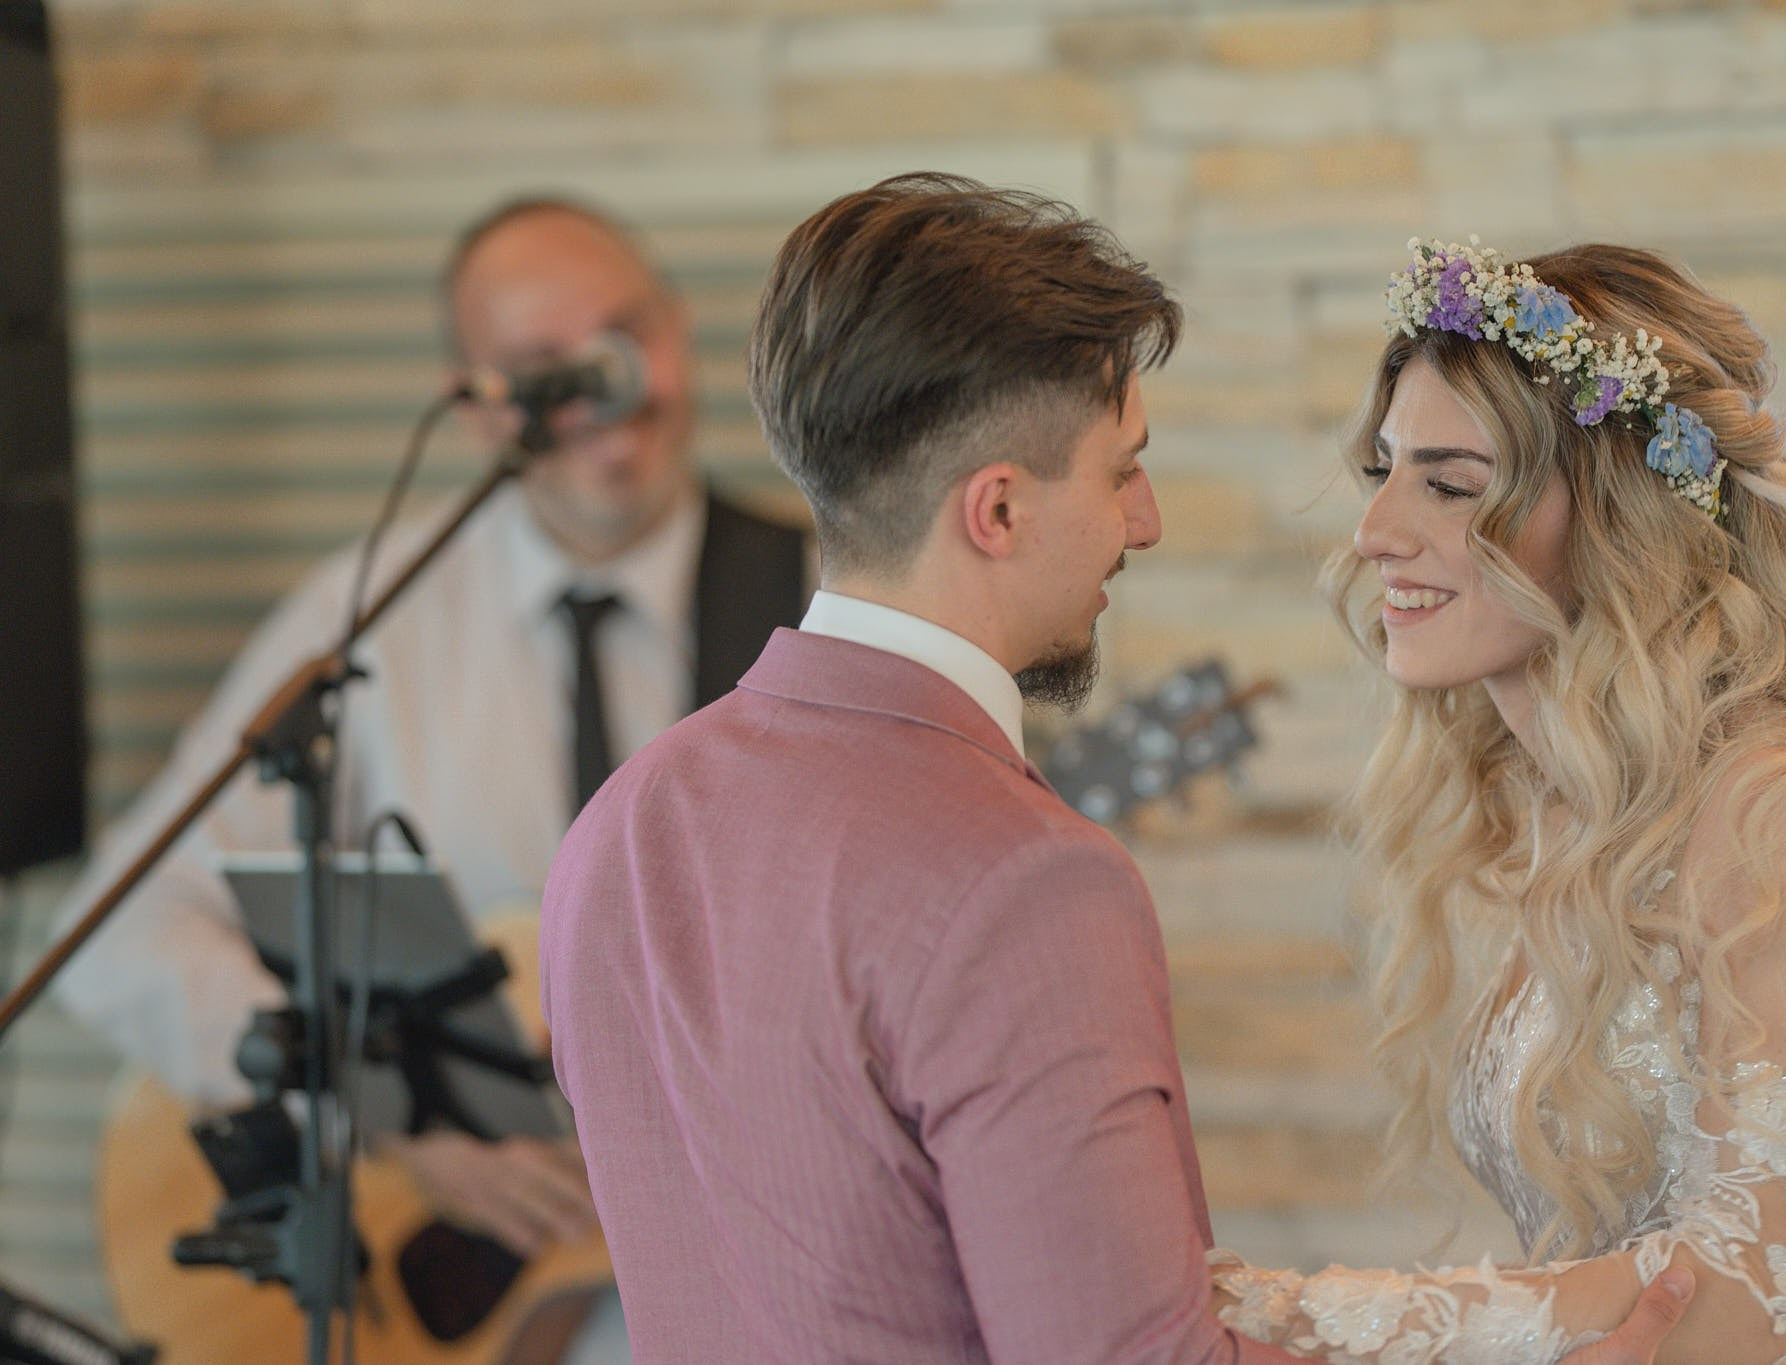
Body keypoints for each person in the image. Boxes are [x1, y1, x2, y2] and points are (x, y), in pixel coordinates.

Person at [540, 177, 1692, 1363]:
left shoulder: (622, 825)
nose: (1141, 524)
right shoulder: (1026, 883)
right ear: (994, 510)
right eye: (1116, 472)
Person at [1204, 237, 1786, 1362]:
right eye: (1383, 470)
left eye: (1448, 486)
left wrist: (1296, 1322)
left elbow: (1744, 1303)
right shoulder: (1581, 818)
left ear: (1613, 515)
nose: (1374, 533)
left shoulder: (1784, 813)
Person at [50, 196, 809, 1362]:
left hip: (734, 1276)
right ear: (475, 408)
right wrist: (382, 1117)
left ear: (679, 332)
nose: (606, 393)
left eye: (623, 337)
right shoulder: (372, 618)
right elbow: (117, 934)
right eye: (542, 369)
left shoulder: (822, 607)